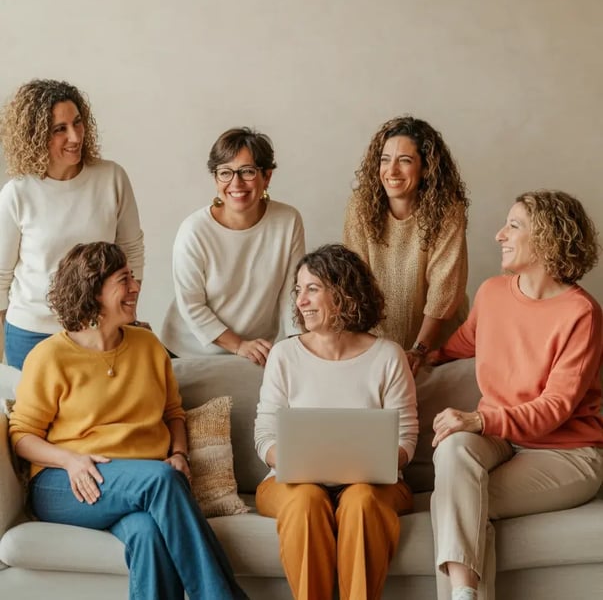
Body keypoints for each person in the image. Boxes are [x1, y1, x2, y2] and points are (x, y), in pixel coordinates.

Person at [9, 242, 247, 600]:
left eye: (133, 278)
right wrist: (70, 460)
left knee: (147, 533)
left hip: (140, 483)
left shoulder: (148, 346)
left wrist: (180, 453)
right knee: (163, 480)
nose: (136, 287)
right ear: (94, 291)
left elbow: (173, 414)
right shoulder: (50, 356)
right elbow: (22, 436)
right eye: (124, 279)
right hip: (66, 482)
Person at [428, 190, 603, 600]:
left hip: (566, 454)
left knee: (454, 503)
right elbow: (456, 348)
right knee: (453, 452)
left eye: (513, 225)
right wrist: (411, 358)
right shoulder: (492, 293)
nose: (498, 235)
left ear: (546, 237)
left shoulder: (582, 314)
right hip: (502, 441)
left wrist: (478, 420)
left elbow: (555, 408)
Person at [254, 244, 418, 600]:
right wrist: (294, 462)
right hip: (293, 485)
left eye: (312, 289)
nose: (301, 301)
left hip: (373, 486)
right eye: (298, 291)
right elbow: (265, 434)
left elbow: (406, 437)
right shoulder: (284, 355)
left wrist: (380, 464)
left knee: (360, 501)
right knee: (306, 501)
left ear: (344, 293)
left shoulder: (388, 355)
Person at [0, 79, 144, 369]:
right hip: (32, 335)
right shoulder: (18, 193)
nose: (75, 137)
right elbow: (1, 278)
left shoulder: (112, 178)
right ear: (35, 135)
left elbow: (132, 253)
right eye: (59, 129)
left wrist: (122, 313)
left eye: (77, 123)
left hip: (98, 332)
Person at [161, 127, 305, 366]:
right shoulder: (194, 230)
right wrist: (237, 344)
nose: (236, 183)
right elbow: (191, 305)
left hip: (253, 354)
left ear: (267, 176)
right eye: (225, 173)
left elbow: (293, 293)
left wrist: (301, 348)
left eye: (247, 171)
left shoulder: (288, 221)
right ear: (215, 179)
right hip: (187, 354)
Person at [343, 115, 469, 375]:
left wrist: (419, 350)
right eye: (385, 159)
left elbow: (444, 291)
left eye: (405, 160)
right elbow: (355, 281)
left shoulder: (447, 212)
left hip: (435, 347)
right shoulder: (360, 208)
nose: (392, 171)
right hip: (376, 341)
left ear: (426, 168)